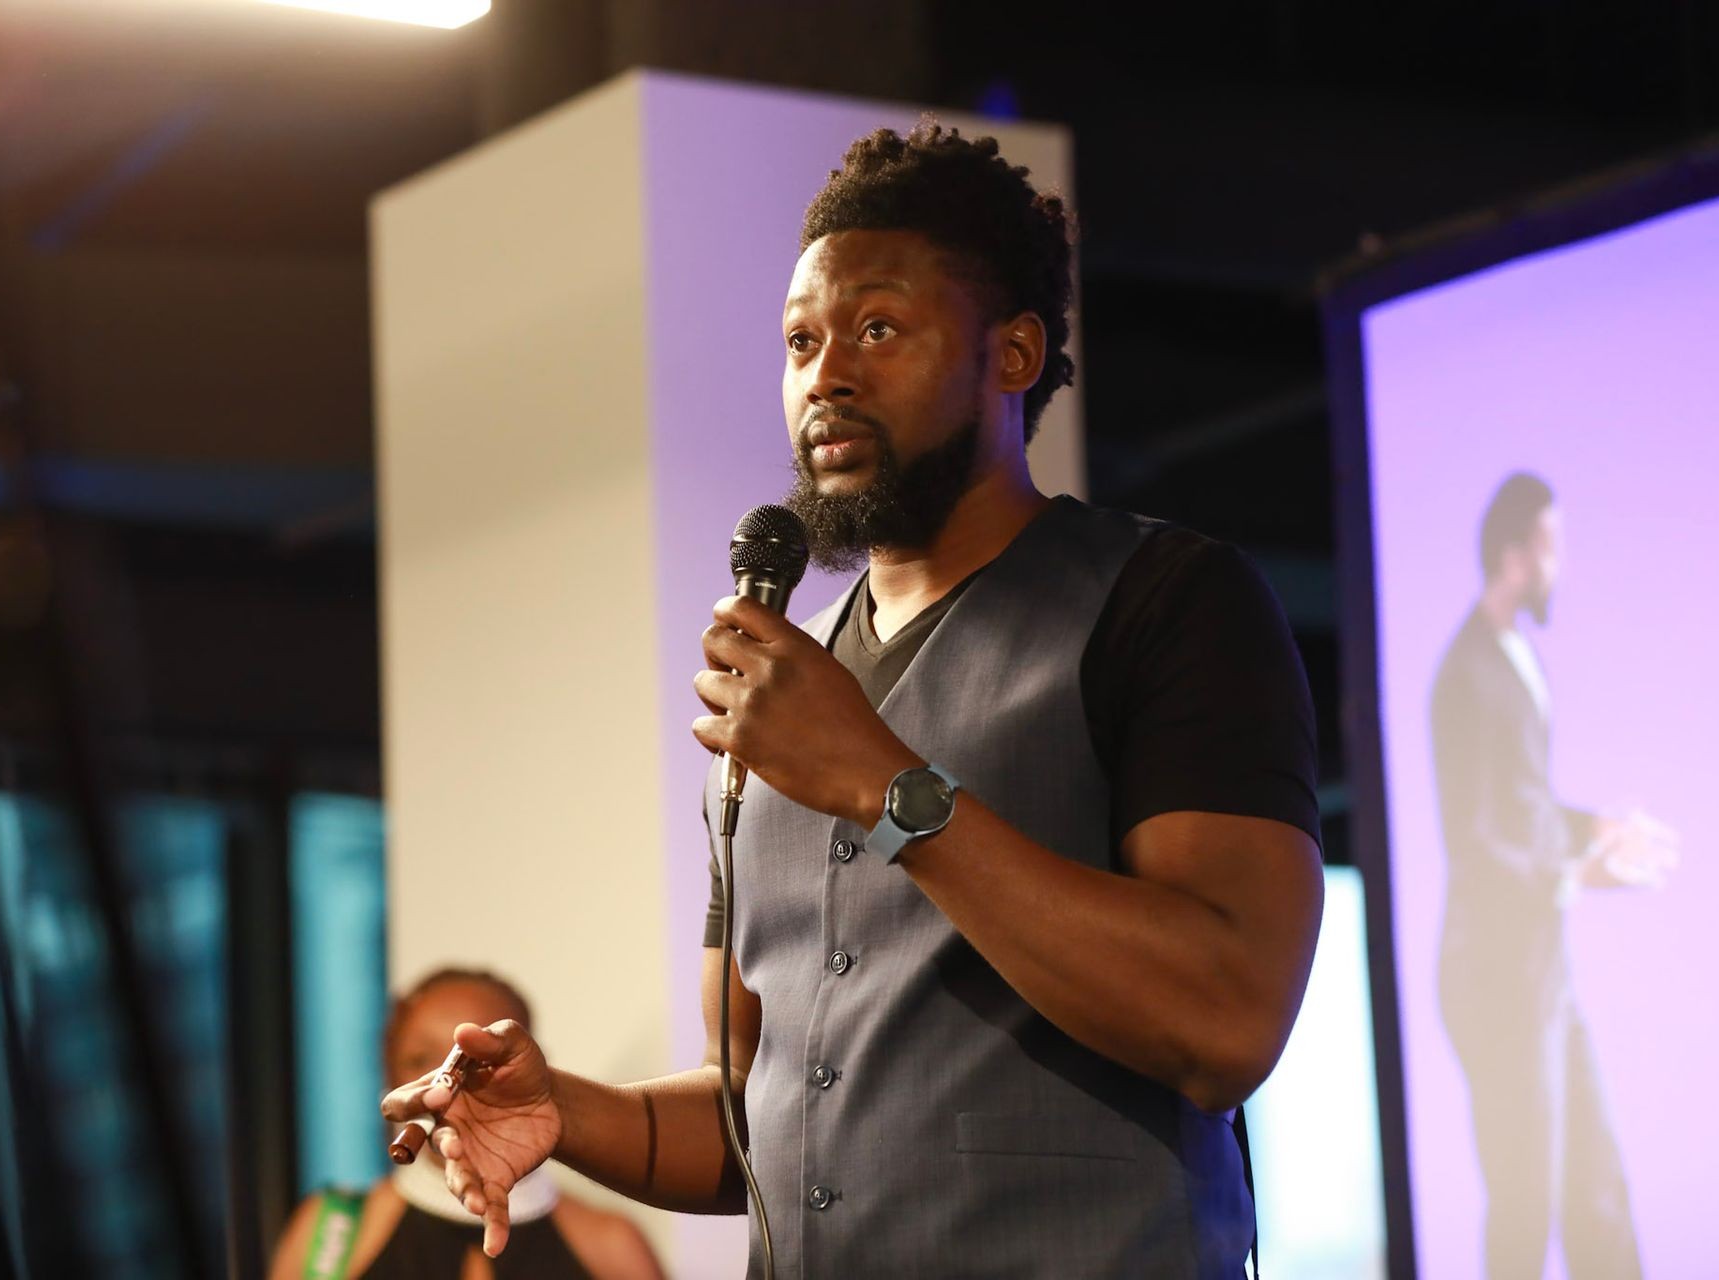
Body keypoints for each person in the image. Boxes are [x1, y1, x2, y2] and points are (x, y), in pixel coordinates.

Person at [383, 121, 1324, 1278]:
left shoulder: (1169, 602)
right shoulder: (779, 686)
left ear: (1013, 354)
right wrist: (563, 1110)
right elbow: (761, 1113)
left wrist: (883, 787)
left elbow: (1224, 1018)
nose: (824, 374)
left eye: (878, 329)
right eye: (800, 340)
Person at [1429, 472, 1680, 1279]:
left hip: (1542, 972)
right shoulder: (1464, 675)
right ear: (1514, 557)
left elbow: (1526, 805)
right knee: (1526, 1203)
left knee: (1597, 1192)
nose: (1559, 566)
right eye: (1552, 548)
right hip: (1495, 979)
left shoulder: (1512, 656)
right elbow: (1474, 840)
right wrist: (1576, 875)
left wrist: (1596, 830)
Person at [270, 967, 664, 1280]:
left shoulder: (611, 1246)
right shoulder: (330, 1236)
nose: (445, 1085)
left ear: (531, 1069)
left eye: (473, 1059)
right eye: (420, 1060)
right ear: (390, 1076)